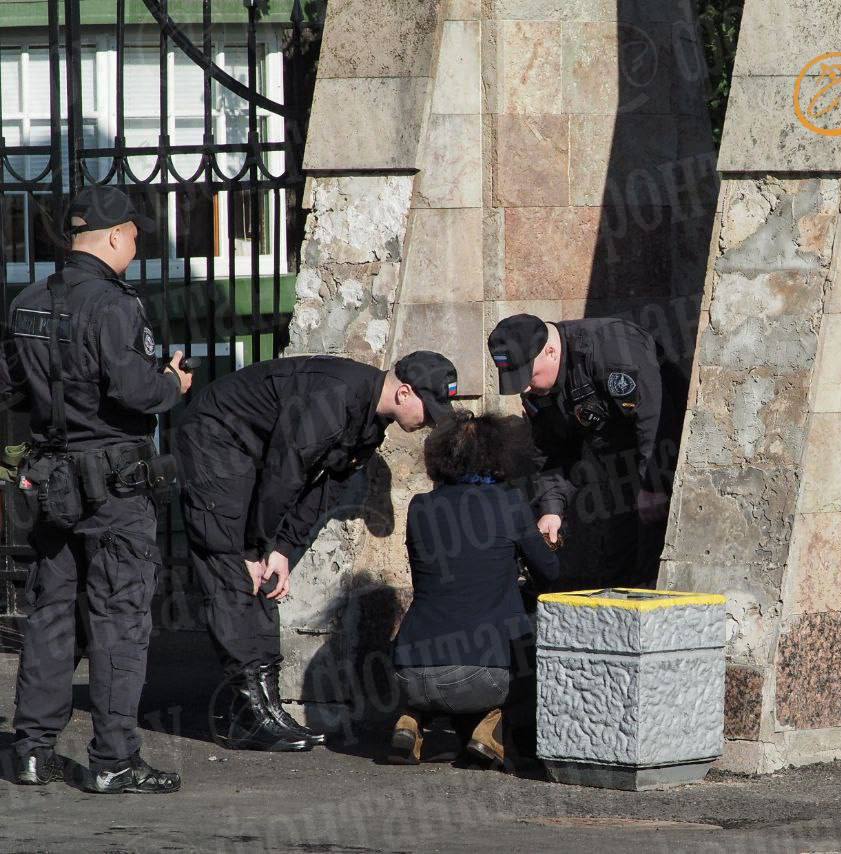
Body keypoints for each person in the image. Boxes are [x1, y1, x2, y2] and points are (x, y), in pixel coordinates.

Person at [2, 185, 194, 793]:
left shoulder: (29, 299)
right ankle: (114, 760)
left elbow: (10, 386)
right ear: (114, 236)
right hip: (115, 485)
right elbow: (136, 392)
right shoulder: (115, 306)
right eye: (134, 236)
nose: (136, 247)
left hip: (52, 481)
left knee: (51, 615)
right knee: (119, 620)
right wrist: (173, 383)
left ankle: (32, 752)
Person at [175, 351, 459, 752]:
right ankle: (244, 716)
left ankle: (267, 707)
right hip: (214, 441)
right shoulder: (335, 399)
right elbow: (286, 472)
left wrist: (282, 548)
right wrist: (254, 547)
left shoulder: (370, 423)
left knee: (265, 579)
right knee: (231, 567)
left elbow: (325, 489)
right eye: (429, 410)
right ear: (404, 393)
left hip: (252, 455)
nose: (429, 421)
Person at [388, 412, 558, 767]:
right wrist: (542, 543)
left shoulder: (420, 507)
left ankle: (411, 719)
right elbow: (549, 574)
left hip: (409, 673)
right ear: (499, 455)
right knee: (533, 631)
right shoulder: (509, 502)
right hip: (480, 678)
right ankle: (492, 729)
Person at [486, 313, 682, 589]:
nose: (526, 387)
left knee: (658, 564)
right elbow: (552, 452)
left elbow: (655, 421)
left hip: (667, 465)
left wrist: (654, 485)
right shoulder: (539, 391)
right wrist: (552, 510)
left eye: (528, 375)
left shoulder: (610, 347)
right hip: (620, 473)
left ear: (551, 351)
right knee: (618, 566)